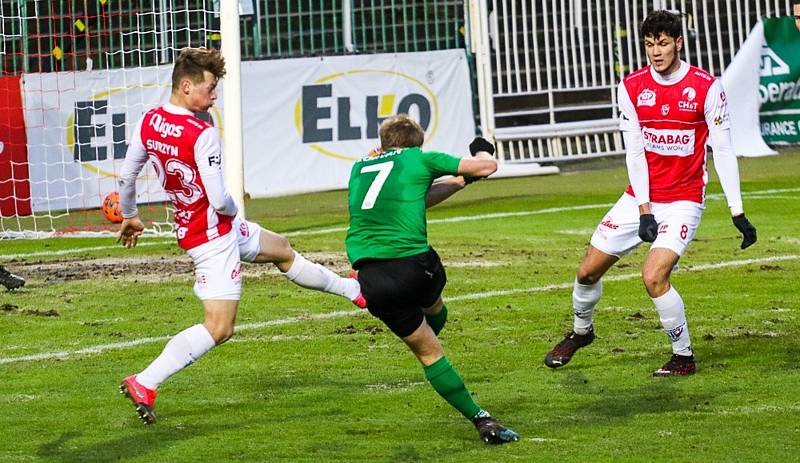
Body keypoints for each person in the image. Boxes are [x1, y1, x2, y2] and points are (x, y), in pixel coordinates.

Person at [116, 47, 365, 424]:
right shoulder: (201, 132)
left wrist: (131, 215)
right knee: (220, 327)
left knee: (281, 250)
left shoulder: (150, 121)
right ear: (186, 86)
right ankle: (146, 381)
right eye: (210, 88)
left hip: (205, 226)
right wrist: (234, 206)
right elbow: (220, 199)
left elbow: (126, 174)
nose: (214, 96)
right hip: (213, 235)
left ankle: (353, 291)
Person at [543, 10, 758, 377]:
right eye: (648, 44)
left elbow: (722, 150)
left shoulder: (707, 87)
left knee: (653, 276)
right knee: (587, 273)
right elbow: (635, 152)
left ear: (678, 43)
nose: (655, 52)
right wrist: (643, 210)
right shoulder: (631, 87)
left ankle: (683, 357)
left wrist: (737, 211)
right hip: (639, 197)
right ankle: (581, 333)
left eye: (661, 43)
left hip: (683, 200)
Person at [346, 114, 519, 444]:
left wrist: (456, 183)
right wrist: (483, 150)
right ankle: (432, 320)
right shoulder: (419, 158)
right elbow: (486, 168)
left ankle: (481, 419)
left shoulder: (360, 168)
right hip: (415, 266)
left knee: (428, 353)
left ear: (383, 142)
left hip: (370, 277)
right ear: (417, 141)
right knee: (435, 309)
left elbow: (415, 199)